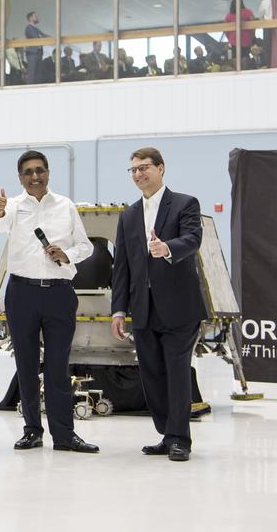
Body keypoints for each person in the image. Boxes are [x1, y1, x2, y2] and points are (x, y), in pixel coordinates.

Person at [0, 151, 97, 454]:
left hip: (59, 292)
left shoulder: (66, 206)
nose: (34, 176)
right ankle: (32, 430)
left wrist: (68, 255)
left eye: (39, 170)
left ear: (48, 172)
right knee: (25, 364)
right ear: (20, 178)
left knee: (58, 367)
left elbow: (85, 246)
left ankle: (64, 435)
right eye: (27, 172)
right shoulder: (11, 206)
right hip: (21, 292)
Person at [110, 148, 207, 462]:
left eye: (145, 167)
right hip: (143, 309)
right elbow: (121, 267)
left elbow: (193, 239)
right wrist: (119, 309)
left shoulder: (184, 204)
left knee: (177, 373)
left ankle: (180, 439)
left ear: (161, 169)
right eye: (134, 169)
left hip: (179, 308)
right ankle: (167, 433)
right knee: (152, 375)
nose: (139, 174)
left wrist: (167, 248)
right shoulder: (127, 216)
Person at [225, 0, 255, 68]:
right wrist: (252, 36)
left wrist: (229, 39)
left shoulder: (229, 15)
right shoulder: (248, 12)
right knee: (245, 55)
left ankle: (237, 71)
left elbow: (226, 29)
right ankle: (244, 71)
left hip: (234, 39)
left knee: (235, 57)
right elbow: (253, 25)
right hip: (246, 38)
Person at [24, 11, 49, 84]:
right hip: (32, 52)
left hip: (38, 52)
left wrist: (52, 38)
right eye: (35, 16)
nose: (37, 18)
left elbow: (43, 35)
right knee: (32, 72)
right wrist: (41, 36)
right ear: (30, 18)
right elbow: (36, 37)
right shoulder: (28, 28)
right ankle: (30, 88)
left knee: (38, 72)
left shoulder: (36, 29)